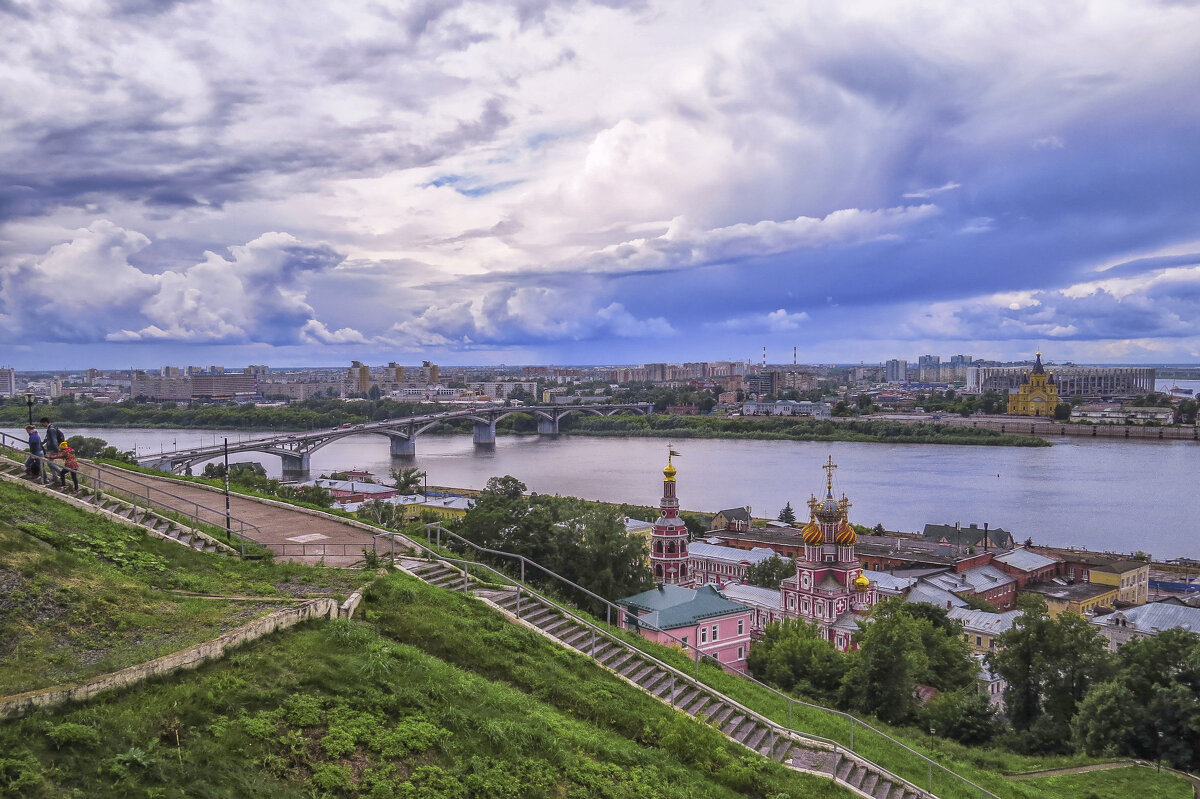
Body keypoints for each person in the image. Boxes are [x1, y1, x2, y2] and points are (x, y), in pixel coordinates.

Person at [40, 417, 65, 485]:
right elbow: (47, 438)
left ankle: (61, 472)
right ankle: (55, 477)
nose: (43, 426)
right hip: (51, 448)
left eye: (42, 424)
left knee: (50, 463)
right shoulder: (51, 428)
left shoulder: (51, 429)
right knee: (49, 463)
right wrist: (42, 443)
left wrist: (56, 449)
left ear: (45, 422)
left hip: (53, 449)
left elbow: (54, 440)